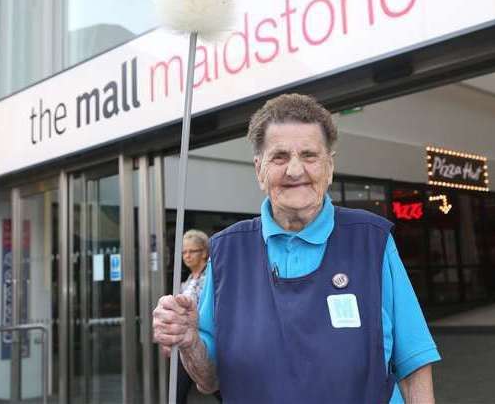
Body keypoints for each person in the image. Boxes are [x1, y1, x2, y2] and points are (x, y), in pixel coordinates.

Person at [153, 93, 440, 403]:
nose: (294, 170)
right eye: (279, 157)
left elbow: (415, 365)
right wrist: (189, 341)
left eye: (309, 155)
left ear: (329, 167)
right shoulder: (226, 252)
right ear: (259, 169)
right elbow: (209, 380)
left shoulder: (371, 240)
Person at [176, 229, 210, 404]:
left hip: (207, 341)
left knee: (221, 389)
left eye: (191, 251)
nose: (187, 256)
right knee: (177, 392)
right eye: (184, 252)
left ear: (204, 252)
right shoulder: (189, 279)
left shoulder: (211, 275)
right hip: (187, 342)